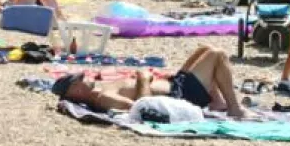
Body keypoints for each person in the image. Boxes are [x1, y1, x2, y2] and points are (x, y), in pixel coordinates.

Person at [53, 46, 247, 117]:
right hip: (180, 95)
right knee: (217, 55)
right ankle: (234, 107)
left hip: (176, 85)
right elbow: (143, 107)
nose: (86, 77)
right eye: (81, 80)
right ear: (75, 91)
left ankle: (216, 101)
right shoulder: (104, 98)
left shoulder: (100, 91)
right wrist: (143, 79)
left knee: (204, 49)